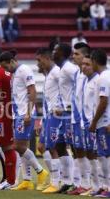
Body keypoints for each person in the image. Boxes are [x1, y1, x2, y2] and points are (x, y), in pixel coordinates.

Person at [0, 51, 48, 191]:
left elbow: (32, 91)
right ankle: (27, 180)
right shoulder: (15, 73)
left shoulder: (24, 69)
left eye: (6, 67)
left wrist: (28, 112)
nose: (6, 70)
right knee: (23, 149)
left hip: (24, 114)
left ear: (11, 61)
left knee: (17, 146)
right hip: (18, 113)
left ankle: (40, 172)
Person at [0, 48, 17, 190]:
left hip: (4, 114)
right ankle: (12, 179)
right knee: (9, 146)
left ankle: (11, 181)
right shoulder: (9, 72)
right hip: (12, 111)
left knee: (6, 147)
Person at [52, 43, 79, 193]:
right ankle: (67, 181)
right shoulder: (62, 69)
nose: (53, 53)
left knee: (75, 147)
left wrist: (71, 106)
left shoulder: (70, 68)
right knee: (59, 144)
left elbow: (81, 85)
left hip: (71, 114)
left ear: (61, 53)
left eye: (55, 50)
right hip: (63, 114)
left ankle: (78, 181)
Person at [35, 48, 61, 193]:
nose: (38, 64)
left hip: (57, 115)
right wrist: (43, 121)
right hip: (48, 116)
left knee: (53, 148)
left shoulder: (57, 72)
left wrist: (61, 107)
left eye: (39, 60)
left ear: (46, 58)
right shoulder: (48, 75)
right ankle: (55, 179)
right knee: (42, 147)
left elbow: (66, 90)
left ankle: (56, 182)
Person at [67, 43, 91, 195]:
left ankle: (93, 184)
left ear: (84, 55)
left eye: (76, 54)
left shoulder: (91, 75)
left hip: (87, 120)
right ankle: (82, 183)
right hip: (76, 119)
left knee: (92, 152)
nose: (73, 57)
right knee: (78, 150)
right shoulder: (77, 73)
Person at [89, 49, 110, 198]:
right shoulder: (106, 76)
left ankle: (108, 188)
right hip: (105, 121)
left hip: (104, 122)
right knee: (103, 155)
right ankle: (105, 186)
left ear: (95, 61)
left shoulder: (103, 78)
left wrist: (94, 121)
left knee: (105, 155)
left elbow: (103, 101)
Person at [80, 55, 101, 196]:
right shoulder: (86, 81)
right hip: (87, 124)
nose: (84, 67)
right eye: (83, 64)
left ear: (93, 64)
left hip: (98, 123)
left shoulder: (98, 80)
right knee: (90, 154)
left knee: (99, 155)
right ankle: (95, 186)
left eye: (87, 64)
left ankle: (102, 185)